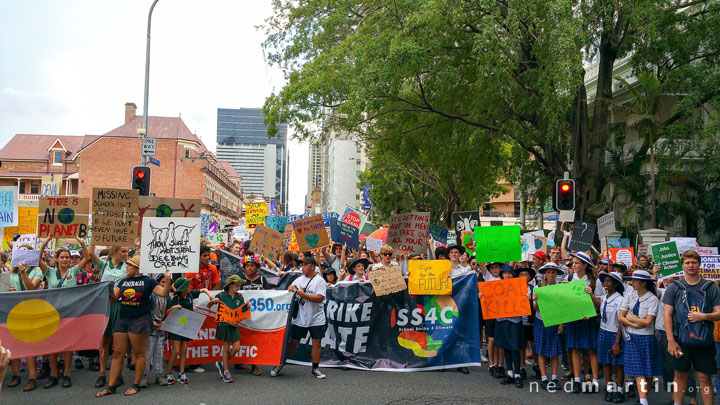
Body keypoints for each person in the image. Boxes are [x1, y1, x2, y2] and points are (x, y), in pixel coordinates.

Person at [95, 255, 171, 397]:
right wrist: (110, 289)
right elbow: (113, 299)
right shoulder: (123, 281)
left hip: (140, 319)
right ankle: (111, 386)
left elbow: (164, 293)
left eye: (129, 265)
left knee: (139, 353)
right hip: (122, 319)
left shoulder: (148, 281)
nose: (126, 267)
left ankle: (136, 385)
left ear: (137, 268)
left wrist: (167, 279)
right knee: (117, 353)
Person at [662, 250, 720, 405]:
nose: (691, 265)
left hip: (704, 339)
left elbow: (719, 312)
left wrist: (704, 316)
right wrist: (670, 340)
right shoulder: (674, 287)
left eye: (694, 262)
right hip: (680, 340)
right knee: (680, 376)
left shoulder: (711, 287)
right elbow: (667, 315)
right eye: (687, 263)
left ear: (699, 264)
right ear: (683, 265)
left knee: (704, 377)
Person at [36, 238, 90, 389]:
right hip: (52, 314)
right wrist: (46, 241)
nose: (65, 259)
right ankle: (53, 374)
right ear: (57, 259)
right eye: (62, 257)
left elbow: (87, 257)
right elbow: (38, 259)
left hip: (69, 314)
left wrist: (81, 242)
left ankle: (66, 374)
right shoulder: (49, 271)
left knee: (67, 345)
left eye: (67, 257)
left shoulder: (74, 271)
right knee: (53, 345)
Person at [271, 257, 327, 379]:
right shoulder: (298, 280)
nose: (303, 267)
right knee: (294, 341)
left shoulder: (319, 281)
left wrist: (302, 294)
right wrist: (291, 290)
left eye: (306, 265)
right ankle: (280, 364)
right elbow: (289, 293)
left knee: (316, 342)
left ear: (312, 266)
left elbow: (319, 298)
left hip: (316, 317)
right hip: (301, 317)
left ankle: (315, 368)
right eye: (302, 265)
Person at [88, 244, 131, 389]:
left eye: (126, 251)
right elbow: (90, 252)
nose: (126, 254)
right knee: (104, 341)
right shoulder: (103, 264)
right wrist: (94, 240)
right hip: (105, 305)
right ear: (114, 252)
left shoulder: (127, 267)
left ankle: (118, 374)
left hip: (120, 305)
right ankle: (102, 374)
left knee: (119, 343)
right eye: (123, 251)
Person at [618, 270, 661, 405]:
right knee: (638, 370)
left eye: (635, 280)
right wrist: (634, 323)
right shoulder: (629, 296)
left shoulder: (652, 299)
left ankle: (643, 397)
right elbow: (620, 316)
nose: (632, 283)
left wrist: (629, 319)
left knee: (648, 370)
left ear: (644, 283)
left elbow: (648, 321)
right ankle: (643, 400)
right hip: (632, 336)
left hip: (647, 337)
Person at [4, 249, 43, 392]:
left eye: (27, 252)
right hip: (13, 311)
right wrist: (8, 290)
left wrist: (23, 273)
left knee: (28, 343)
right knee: (12, 342)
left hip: (29, 312)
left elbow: (31, 287)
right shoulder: (10, 272)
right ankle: (16, 374)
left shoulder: (37, 270)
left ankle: (32, 377)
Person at [565, 251, 603, 394]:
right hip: (573, 319)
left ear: (584, 265)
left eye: (576, 263)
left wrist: (591, 294)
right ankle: (576, 380)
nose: (573, 265)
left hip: (589, 319)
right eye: (573, 263)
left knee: (592, 350)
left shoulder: (595, 281)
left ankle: (594, 381)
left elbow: (600, 303)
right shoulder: (569, 278)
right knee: (574, 349)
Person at [165, 277, 213, 385]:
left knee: (184, 349)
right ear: (182, 289)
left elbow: (204, 289)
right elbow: (166, 313)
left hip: (187, 326)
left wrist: (210, 296)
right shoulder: (174, 299)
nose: (189, 287)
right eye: (187, 286)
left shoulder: (191, 294)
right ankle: (168, 372)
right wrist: (174, 308)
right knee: (176, 350)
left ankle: (181, 373)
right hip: (176, 327)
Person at [533, 263, 565, 391]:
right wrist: (536, 300)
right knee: (540, 349)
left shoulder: (559, 288)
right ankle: (544, 378)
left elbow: (562, 307)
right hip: (541, 320)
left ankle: (555, 377)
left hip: (555, 321)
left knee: (554, 351)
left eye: (553, 272)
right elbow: (535, 308)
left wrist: (561, 324)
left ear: (556, 274)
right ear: (545, 274)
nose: (551, 275)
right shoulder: (539, 287)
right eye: (548, 272)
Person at [492, 266, 525, 388]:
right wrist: (483, 296)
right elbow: (490, 298)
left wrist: (526, 297)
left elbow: (524, 300)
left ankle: (517, 374)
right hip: (501, 320)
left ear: (513, 275)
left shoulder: (519, 286)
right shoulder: (497, 286)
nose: (507, 275)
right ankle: (509, 373)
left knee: (514, 348)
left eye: (509, 273)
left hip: (514, 320)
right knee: (505, 347)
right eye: (504, 273)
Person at [211, 275, 247, 383]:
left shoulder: (239, 297)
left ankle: (222, 363)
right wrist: (214, 300)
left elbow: (242, 309)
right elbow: (211, 302)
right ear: (231, 285)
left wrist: (246, 307)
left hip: (234, 325)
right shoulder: (221, 295)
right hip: (223, 324)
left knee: (236, 348)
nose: (239, 287)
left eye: (239, 285)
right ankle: (226, 371)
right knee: (225, 348)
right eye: (237, 285)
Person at [596, 271, 625, 403]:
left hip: (615, 333)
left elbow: (621, 322)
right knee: (606, 362)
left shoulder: (620, 300)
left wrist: (617, 342)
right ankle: (609, 387)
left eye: (608, 281)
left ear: (615, 284)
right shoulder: (604, 297)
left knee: (618, 363)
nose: (605, 283)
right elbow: (602, 314)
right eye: (604, 281)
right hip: (603, 331)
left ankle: (619, 390)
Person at [239, 255, 267, 376]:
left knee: (254, 338)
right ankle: (238, 362)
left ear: (257, 267)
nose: (249, 268)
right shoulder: (240, 280)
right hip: (243, 313)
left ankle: (254, 365)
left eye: (252, 266)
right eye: (247, 266)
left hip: (258, 314)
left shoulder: (262, 279)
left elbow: (269, 295)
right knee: (242, 337)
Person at [141, 274, 169, 388]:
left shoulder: (167, 297)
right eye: (162, 282)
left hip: (161, 327)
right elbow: (145, 309)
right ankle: (144, 376)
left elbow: (167, 311)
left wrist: (164, 322)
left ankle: (159, 375)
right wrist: (151, 321)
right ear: (157, 283)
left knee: (159, 352)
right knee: (148, 353)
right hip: (150, 327)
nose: (164, 285)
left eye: (166, 282)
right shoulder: (151, 295)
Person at [517, 267, 536, 379]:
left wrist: (531, 299)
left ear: (529, 277)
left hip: (531, 321)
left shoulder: (533, 289)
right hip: (520, 321)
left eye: (526, 274)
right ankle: (522, 366)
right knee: (522, 345)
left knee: (534, 345)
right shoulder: (515, 289)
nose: (524, 276)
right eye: (521, 274)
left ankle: (536, 364)